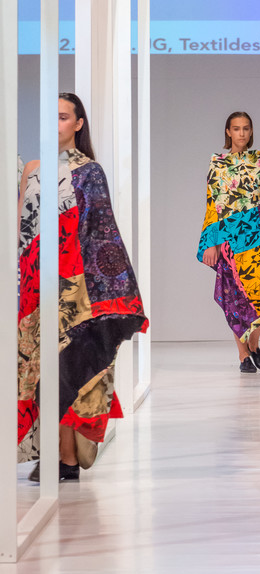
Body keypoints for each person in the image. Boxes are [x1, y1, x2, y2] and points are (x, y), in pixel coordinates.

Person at [17, 93, 148, 481]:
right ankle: (56, 454)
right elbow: (20, 227)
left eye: (62, 117)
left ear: (78, 124)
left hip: (73, 286)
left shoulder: (89, 171)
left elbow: (101, 233)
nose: (54, 123)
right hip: (33, 282)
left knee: (65, 366)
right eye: (50, 116)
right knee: (35, 366)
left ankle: (66, 457)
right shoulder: (33, 168)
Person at [197, 111, 260, 372]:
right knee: (236, 298)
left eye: (246, 128)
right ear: (228, 132)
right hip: (229, 239)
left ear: (251, 132)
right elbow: (212, 205)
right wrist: (212, 242)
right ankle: (243, 355)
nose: (241, 133)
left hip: (257, 237)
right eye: (236, 128)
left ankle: (254, 345)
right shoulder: (218, 164)